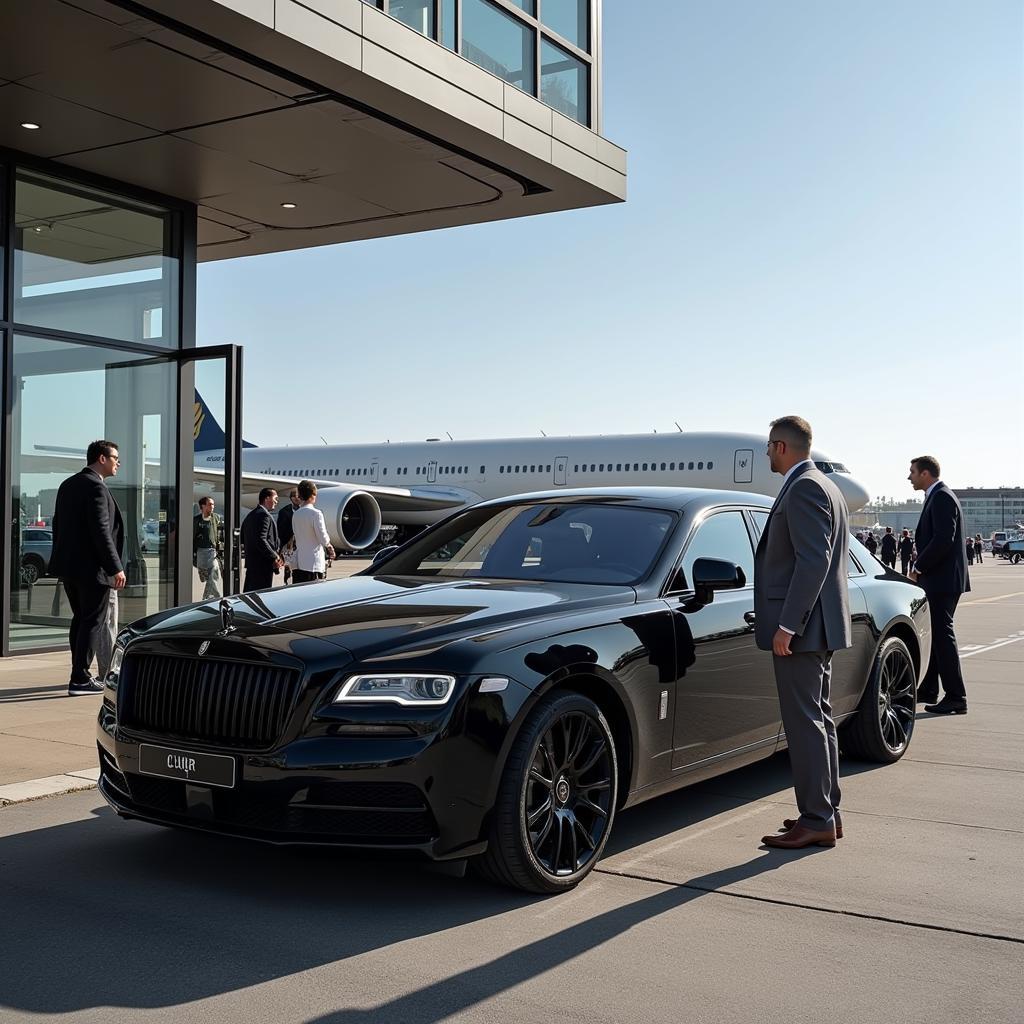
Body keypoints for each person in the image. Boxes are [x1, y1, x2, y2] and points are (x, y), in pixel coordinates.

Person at [754, 416, 851, 850]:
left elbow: (813, 562)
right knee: (819, 720)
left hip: (803, 630)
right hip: (819, 628)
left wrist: (787, 626)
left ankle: (817, 819)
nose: (766, 454)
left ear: (780, 447)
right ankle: (826, 812)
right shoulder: (825, 485)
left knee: (806, 723)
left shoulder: (805, 487)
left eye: (768, 446)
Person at [49, 440, 126, 696]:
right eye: (115, 457)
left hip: (69, 568)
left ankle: (78, 674)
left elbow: (57, 525)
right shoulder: (96, 487)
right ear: (101, 459)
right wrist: (115, 567)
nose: (118, 462)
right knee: (93, 621)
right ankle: (80, 678)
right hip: (93, 570)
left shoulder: (67, 485)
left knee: (81, 621)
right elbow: (101, 531)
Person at [909, 456, 970, 714]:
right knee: (936, 634)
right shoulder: (938, 496)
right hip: (941, 578)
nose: (909, 477)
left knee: (943, 636)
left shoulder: (942, 497)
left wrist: (918, 567)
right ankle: (929, 688)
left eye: (912, 472)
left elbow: (944, 539)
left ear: (925, 474)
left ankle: (956, 696)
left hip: (941, 580)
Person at [291, 479, 335, 583]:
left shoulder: (296, 514)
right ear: (313, 495)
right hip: (314, 563)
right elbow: (322, 537)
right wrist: (329, 546)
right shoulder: (316, 513)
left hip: (300, 561)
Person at [240, 487, 283, 591]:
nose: (277, 502)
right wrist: (274, 556)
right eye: (275, 498)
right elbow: (261, 539)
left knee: (250, 595)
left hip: (252, 564)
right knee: (261, 596)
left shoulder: (251, 515)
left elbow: (242, 537)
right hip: (262, 566)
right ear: (267, 498)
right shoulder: (264, 516)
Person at [192, 496, 223, 600]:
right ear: (203, 506)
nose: (212, 506)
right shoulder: (196, 520)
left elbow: (220, 534)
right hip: (201, 552)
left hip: (212, 551)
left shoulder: (216, 518)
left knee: (214, 571)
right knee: (207, 576)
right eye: (210, 504)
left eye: (213, 504)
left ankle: (213, 598)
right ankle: (209, 596)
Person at [277, 487, 300, 584]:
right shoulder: (284, 511)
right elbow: (281, 530)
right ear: (290, 498)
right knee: (288, 567)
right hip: (288, 544)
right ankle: (287, 583)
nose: (296, 498)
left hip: (301, 544)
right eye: (293, 496)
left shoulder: (305, 510)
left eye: (297, 496)